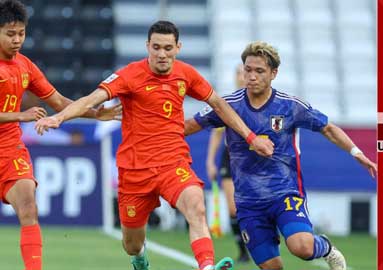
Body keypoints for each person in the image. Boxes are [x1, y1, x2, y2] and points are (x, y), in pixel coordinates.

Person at [34, 21, 274, 270]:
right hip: (135, 170)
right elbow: (91, 100)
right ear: (147, 45)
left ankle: (206, 266)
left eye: (168, 48)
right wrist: (59, 117)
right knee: (132, 244)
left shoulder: (186, 74)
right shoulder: (129, 75)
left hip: (172, 163)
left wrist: (251, 137)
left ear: (178, 47)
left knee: (196, 206)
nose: (162, 54)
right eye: (156, 47)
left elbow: (219, 104)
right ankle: (140, 258)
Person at [184, 41, 377, 270]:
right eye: (248, 70)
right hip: (248, 202)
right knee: (272, 267)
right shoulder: (228, 105)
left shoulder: (289, 106)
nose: (252, 76)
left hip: (284, 193)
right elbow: (187, 126)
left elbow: (328, 128)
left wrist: (357, 153)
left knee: (302, 247)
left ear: (274, 73)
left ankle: (324, 247)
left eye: (259, 71)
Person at [0, 1, 120, 270]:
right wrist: (21, 116)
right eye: (10, 34)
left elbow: (58, 101)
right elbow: (24, 113)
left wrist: (94, 113)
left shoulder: (25, 66)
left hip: (9, 150)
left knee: (29, 206)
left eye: (21, 33)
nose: (17, 39)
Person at [206, 64, 250, 263]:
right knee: (232, 208)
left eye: (245, 73)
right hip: (230, 157)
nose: (242, 77)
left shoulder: (258, 102)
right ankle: (242, 251)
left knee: (254, 206)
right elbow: (216, 135)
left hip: (252, 159)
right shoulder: (228, 102)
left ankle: (260, 242)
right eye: (239, 73)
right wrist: (210, 161)